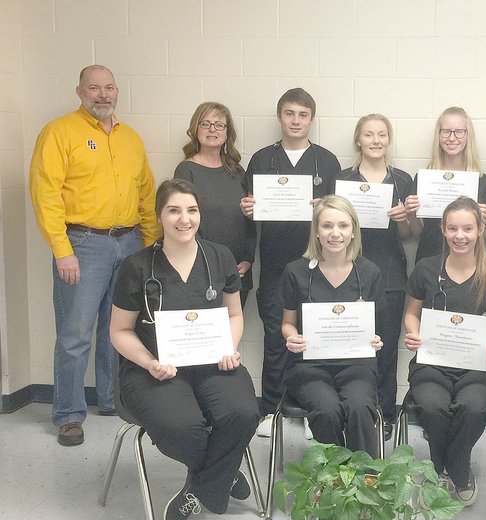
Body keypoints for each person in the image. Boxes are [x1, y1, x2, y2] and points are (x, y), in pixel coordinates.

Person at [109, 179, 260, 520]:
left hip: (213, 363)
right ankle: (223, 471)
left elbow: (234, 315)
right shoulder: (137, 266)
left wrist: (229, 346)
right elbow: (119, 331)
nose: (184, 219)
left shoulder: (219, 256)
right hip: (154, 369)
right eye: (174, 210)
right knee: (181, 426)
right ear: (159, 216)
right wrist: (149, 362)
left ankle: (205, 485)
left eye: (191, 210)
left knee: (243, 411)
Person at [29, 64, 159, 446]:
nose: (102, 94)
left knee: (116, 329)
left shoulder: (130, 139)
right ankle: (68, 414)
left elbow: (146, 195)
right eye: (94, 88)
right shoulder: (59, 132)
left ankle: (110, 400)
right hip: (83, 245)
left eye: (109, 88)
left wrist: (150, 245)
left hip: (130, 242)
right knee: (75, 333)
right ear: (79, 91)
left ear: (117, 92)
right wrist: (61, 248)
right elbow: (45, 192)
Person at [404, 197, 486, 506]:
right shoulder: (426, 269)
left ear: (481, 229)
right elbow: (412, 313)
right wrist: (413, 333)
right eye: (452, 228)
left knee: (474, 407)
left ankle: (455, 469)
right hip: (432, 364)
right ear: (442, 230)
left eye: (467, 228)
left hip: (477, 367)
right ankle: (446, 470)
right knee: (432, 405)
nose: (460, 235)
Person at [240, 88, 341, 410]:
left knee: (313, 338)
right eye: (289, 113)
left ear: (311, 119)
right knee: (276, 338)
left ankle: (311, 407)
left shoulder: (326, 161)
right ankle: (271, 408)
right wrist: (248, 208)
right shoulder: (261, 159)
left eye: (303, 115)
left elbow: (341, 214)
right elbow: (247, 215)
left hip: (318, 266)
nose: (296, 121)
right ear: (279, 116)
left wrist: (324, 207)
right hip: (274, 266)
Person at [279, 195, 386, 458]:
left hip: (357, 365)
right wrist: (291, 338)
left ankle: (366, 480)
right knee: (327, 410)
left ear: (353, 232)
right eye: (327, 226)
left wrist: (376, 341)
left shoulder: (370, 273)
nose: (335, 233)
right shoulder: (296, 271)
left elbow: (376, 329)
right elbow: (287, 324)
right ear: (316, 231)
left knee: (360, 407)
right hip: (309, 366)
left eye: (343, 226)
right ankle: (335, 480)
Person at [335, 114, 414, 440]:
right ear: (359, 140)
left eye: (382, 134)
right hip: (347, 273)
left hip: (391, 275)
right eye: (369, 134)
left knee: (386, 349)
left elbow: (410, 236)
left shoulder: (402, 180)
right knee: (348, 345)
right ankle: (351, 411)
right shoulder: (342, 179)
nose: (376, 140)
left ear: (388, 140)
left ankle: (385, 412)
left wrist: (402, 219)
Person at [175, 102, 255, 307]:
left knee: (232, 333)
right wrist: (212, 261)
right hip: (201, 268)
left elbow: (250, 220)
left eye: (219, 125)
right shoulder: (186, 170)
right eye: (205, 124)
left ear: (228, 133)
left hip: (238, 268)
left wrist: (248, 259)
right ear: (195, 129)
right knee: (206, 335)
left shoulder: (237, 171)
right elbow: (183, 223)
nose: (213, 130)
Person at [404, 107, 486, 264]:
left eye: (459, 131)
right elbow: (417, 233)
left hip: (469, 264)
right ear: (438, 135)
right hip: (429, 259)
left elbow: (484, 238)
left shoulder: (483, 182)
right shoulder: (424, 178)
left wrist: (484, 222)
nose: (452, 138)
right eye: (446, 131)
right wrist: (412, 214)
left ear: (468, 135)